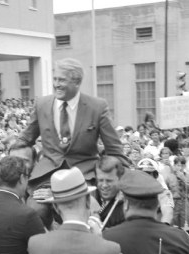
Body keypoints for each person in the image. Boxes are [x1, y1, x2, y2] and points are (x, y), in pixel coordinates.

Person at [16, 58, 129, 223]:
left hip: (84, 177)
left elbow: (115, 150)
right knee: (34, 211)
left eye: (61, 80)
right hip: (47, 178)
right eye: (55, 79)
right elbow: (26, 138)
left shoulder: (97, 107)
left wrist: (126, 182)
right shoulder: (42, 104)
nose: (56, 84)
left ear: (77, 82)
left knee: (90, 214)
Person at [94, 156, 126, 229]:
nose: (104, 185)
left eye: (109, 181)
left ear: (120, 179)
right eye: (100, 180)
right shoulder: (96, 197)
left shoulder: (124, 209)